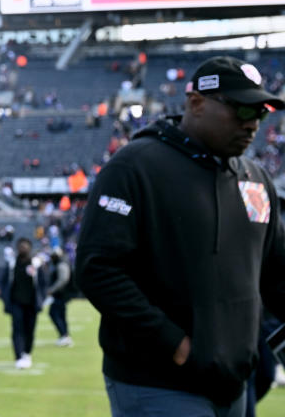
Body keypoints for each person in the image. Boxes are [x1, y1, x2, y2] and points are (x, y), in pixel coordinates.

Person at [76, 56, 285, 417]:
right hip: (156, 381)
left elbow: (277, 277)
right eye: (240, 109)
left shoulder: (256, 179)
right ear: (196, 103)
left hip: (234, 382)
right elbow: (99, 270)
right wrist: (175, 344)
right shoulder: (134, 166)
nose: (252, 124)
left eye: (261, 112)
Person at [1, 237, 46, 369]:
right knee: (17, 329)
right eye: (21, 246)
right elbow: (4, 282)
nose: (23, 248)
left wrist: (41, 299)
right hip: (16, 302)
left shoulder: (36, 264)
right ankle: (18, 356)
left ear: (30, 248)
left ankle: (27, 352)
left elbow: (43, 283)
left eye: (26, 246)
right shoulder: (11, 263)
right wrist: (5, 298)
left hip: (32, 303)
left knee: (30, 330)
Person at [45, 247, 73, 347]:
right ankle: (65, 336)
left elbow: (63, 279)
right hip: (61, 294)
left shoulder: (61, 264)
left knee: (54, 313)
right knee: (60, 315)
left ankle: (64, 335)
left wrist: (52, 290)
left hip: (61, 294)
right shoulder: (61, 263)